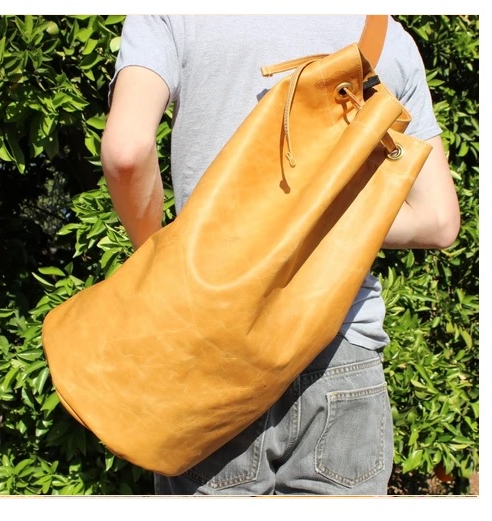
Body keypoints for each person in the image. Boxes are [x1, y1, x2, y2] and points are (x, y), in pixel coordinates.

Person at [100, 15, 460, 496]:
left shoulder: (172, 15)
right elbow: (439, 220)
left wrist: (156, 262)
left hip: (210, 350)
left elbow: (126, 152)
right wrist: (314, 219)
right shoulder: (385, 31)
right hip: (340, 346)